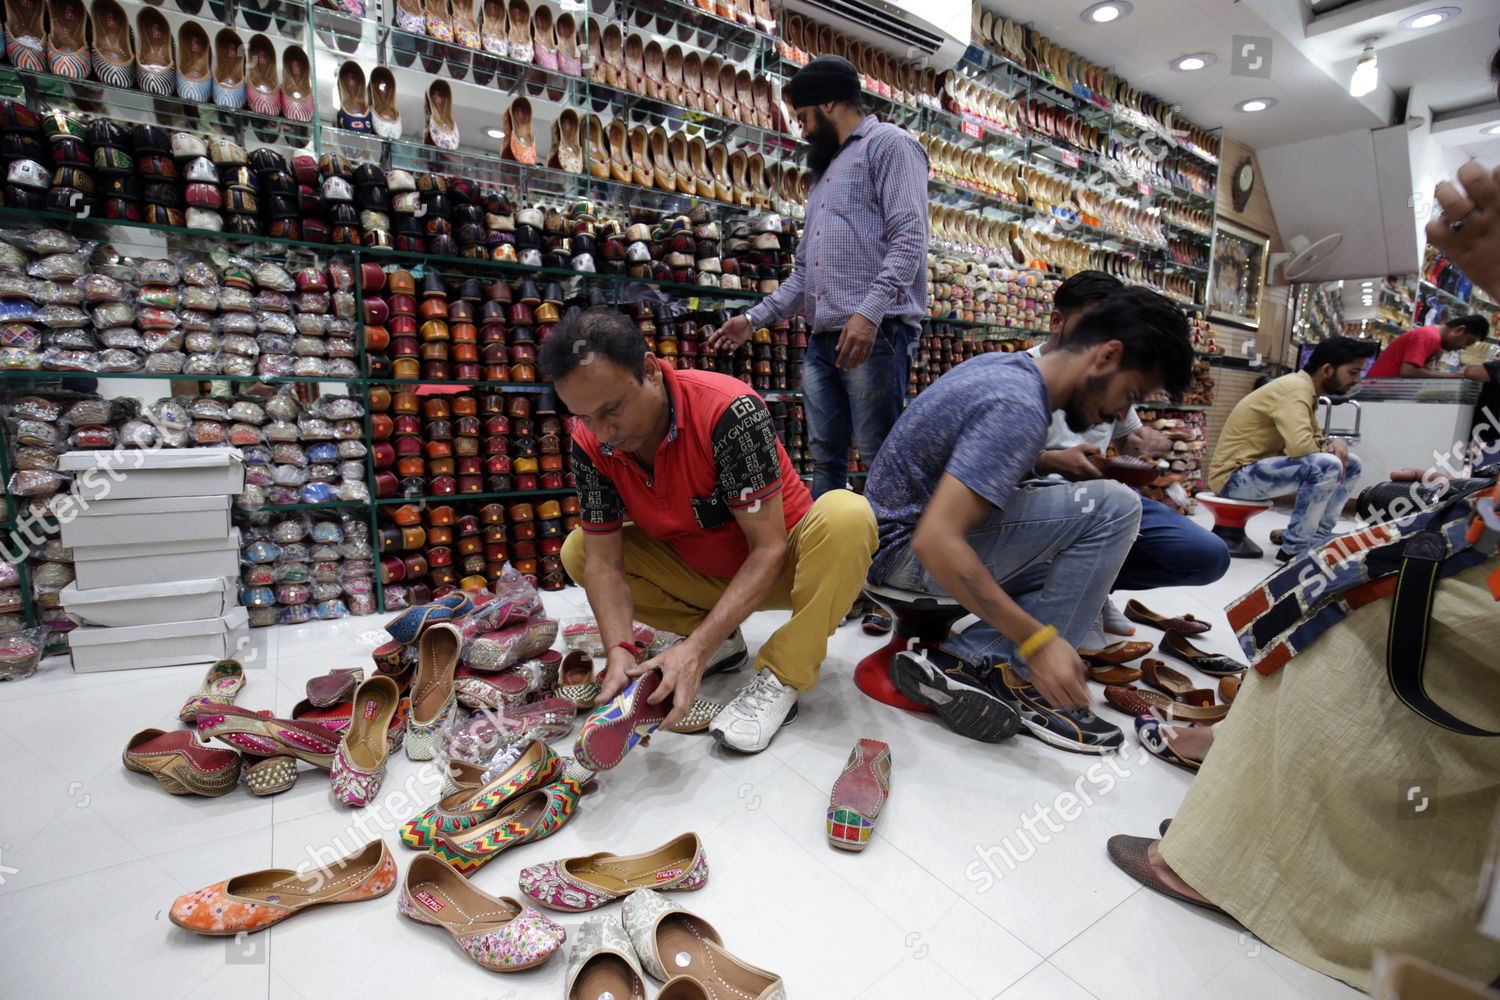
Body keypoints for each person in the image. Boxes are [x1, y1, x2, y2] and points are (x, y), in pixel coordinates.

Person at [863, 286, 1194, 753]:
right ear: (1106, 356)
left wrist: (1046, 463)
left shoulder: (1005, 369)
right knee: (1116, 505)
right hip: (903, 558)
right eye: (1131, 393)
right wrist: (1038, 642)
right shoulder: (1019, 407)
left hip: (885, 546)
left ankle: (966, 663)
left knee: (1080, 568)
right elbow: (935, 540)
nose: (1123, 413)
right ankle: (1024, 678)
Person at [539, 307, 877, 755]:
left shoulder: (728, 411)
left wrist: (694, 650)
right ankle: (722, 641)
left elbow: (770, 547)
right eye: (584, 416)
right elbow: (603, 561)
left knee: (847, 514)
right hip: (705, 572)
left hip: (787, 569)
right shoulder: (592, 442)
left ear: (649, 371)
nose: (604, 431)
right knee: (579, 551)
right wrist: (619, 649)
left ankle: (783, 675)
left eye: (612, 409)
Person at [704, 54, 928, 499]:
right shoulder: (825, 173)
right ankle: (834, 555)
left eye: (803, 117)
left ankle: (893, 562)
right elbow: (805, 273)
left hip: (874, 334)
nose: (802, 130)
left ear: (828, 104)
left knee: (879, 454)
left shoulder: (891, 145)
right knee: (826, 457)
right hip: (823, 338)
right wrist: (752, 321)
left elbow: (911, 239)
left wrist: (867, 316)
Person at [1025, 271, 1229, 634]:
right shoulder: (1021, 379)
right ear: (1057, 322)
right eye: (1097, 324)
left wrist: (1150, 443)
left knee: (1207, 555)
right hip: (1039, 501)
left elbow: (1130, 435)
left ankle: (1093, 589)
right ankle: (1062, 597)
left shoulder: (1112, 376)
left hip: (1100, 496)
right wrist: (1050, 461)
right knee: (1109, 507)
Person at [1207, 337, 1379, 562]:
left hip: (1253, 473)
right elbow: (1301, 445)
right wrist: (1329, 446)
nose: (1357, 380)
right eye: (1353, 372)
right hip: (1232, 478)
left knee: (1350, 462)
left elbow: (1313, 440)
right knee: (1327, 464)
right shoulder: (1295, 389)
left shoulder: (1306, 389)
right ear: (1327, 369)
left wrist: (1332, 444)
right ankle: (1294, 550)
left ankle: (1318, 537)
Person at [1361, 314, 1487, 378]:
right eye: (1468, 342)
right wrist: (1451, 376)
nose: (1464, 347)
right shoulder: (1429, 337)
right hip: (1377, 392)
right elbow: (1408, 371)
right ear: (1459, 330)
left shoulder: (1433, 337)